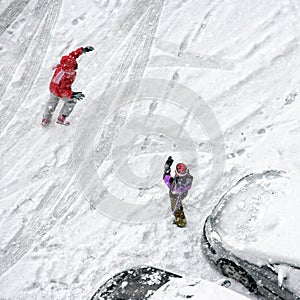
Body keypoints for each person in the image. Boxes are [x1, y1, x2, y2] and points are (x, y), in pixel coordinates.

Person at [41, 46, 94, 126]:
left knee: (52, 103)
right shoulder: (66, 77)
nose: (74, 70)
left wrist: (83, 50)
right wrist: (72, 94)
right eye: (73, 69)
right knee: (71, 101)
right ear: (69, 70)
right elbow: (62, 90)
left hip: (52, 88)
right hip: (58, 90)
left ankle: (46, 118)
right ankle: (61, 118)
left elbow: (73, 55)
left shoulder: (65, 63)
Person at [163, 156, 193, 228]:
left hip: (175, 197)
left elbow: (167, 180)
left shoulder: (176, 185)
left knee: (177, 210)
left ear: (176, 173)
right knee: (179, 203)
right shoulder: (188, 178)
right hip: (183, 193)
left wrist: (166, 170)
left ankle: (181, 223)